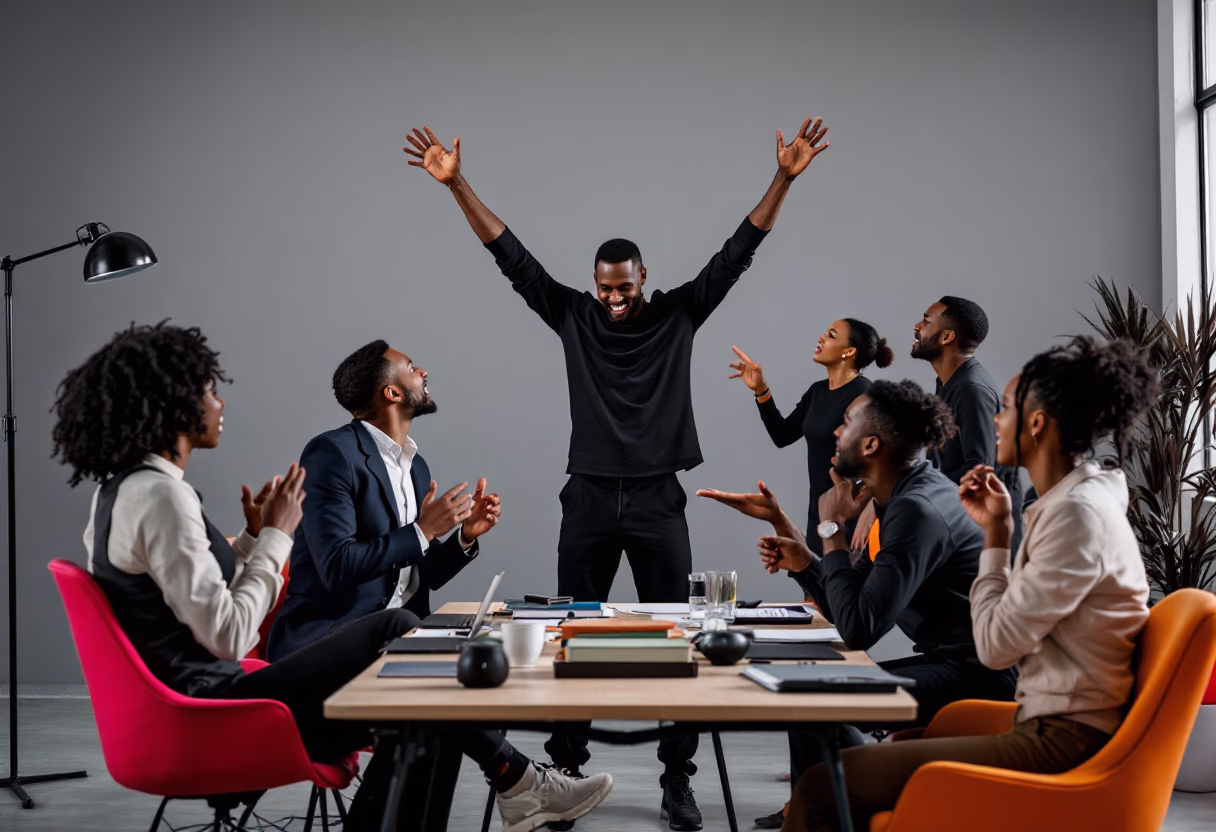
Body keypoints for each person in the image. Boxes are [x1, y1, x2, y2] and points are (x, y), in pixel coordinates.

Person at [404, 117, 830, 831]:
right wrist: (457, 186)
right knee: (575, 632)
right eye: (604, 289)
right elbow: (511, 257)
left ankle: (677, 780)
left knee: (682, 635)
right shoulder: (571, 314)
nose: (613, 300)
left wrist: (784, 177)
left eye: (624, 288)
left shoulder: (679, 315)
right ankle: (563, 773)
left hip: (660, 500)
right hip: (591, 499)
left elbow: (738, 252)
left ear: (643, 279)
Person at [54, 324, 611, 832]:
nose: (219, 402)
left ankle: (516, 783)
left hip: (207, 694)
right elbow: (228, 635)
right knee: (411, 645)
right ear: (172, 405)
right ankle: (519, 781)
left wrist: (459, 538)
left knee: (427, 688)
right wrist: (278, 536)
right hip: (213, 706)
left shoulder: (125, 490)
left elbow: (180, 586)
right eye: (206, 390)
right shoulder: (169, 493)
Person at [783, 336, 1157, 831]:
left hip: (1058, 739)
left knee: (821, 784)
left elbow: (997, 647)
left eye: (1004, 409)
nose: (995, 420)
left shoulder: (1075, 517)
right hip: (1040, 718)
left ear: (1037, 423)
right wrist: (998, 530)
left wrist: (996, 540)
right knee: (837, 762)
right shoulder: (1074, 505)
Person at [698, 380, 1017, 817]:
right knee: (810, 693)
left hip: (980, 678)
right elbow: (849, 604)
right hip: (954, 662)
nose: (835, 432)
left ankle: (827, 806)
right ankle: (827, 807)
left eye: (845, 424)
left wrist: (831, 530)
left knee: (811, 698)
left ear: (870, 444)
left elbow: (858, 629)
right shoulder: (900, 500)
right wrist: (807, 559)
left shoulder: (917, 510)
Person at [728, 318, 893, 550]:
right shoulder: (817, 391)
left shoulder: (865, 395)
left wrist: (872, 510)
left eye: (832, 335)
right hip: (820, 516)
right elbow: (782, 435)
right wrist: (761, 390)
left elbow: (890, 462)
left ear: (849, 351)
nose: (821, 338)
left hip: (856, 521)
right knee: (817, 584)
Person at [906, 295, 1023, 548]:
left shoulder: (973, 390)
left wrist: (916, 488)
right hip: (957, 524)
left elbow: (979, 471)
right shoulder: (949, 382)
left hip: (983, 541)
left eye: (926, 322)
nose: (917, 326)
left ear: (947, 337)